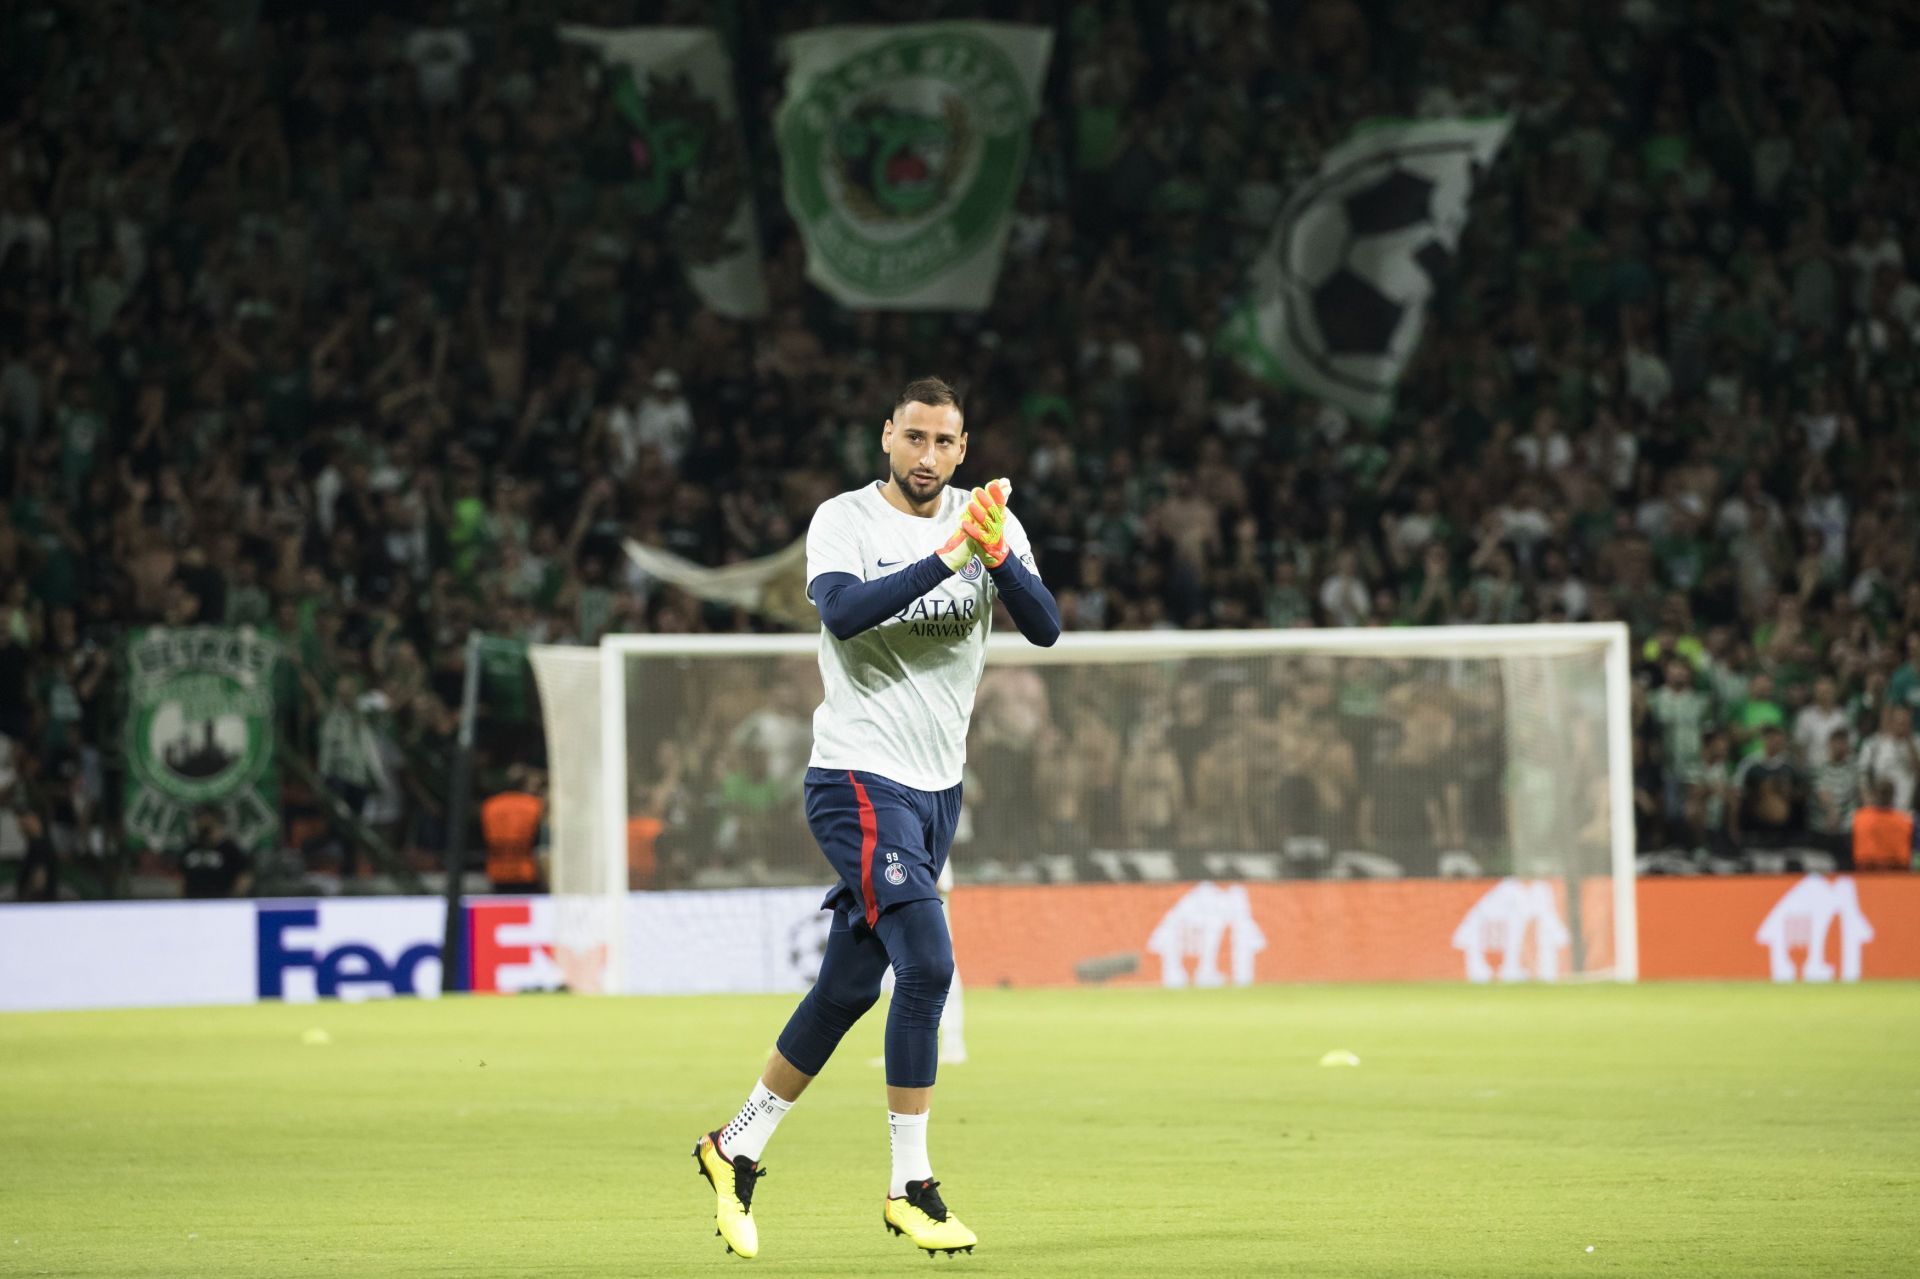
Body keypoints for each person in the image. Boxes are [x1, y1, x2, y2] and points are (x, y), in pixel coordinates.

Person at [690, 378, 1059, 1259]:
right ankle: (911, 1184)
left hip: (936, 792)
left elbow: (1044, 627)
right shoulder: (844, 519)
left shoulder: (987, 520)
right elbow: (848, 614)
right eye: (914, 437)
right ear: (885, 437)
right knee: (927, 966)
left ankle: (734, 1144)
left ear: (962, 450)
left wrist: (997, 555)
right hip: (857, 776)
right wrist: (947, 559)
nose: (927, 456)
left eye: (944, 442)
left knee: (850, 988)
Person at [179, 807, 252, 899]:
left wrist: (233, 900)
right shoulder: (190, 848)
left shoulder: (231, 849)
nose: (202, 823)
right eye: (200, 820)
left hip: (221, 903)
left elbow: (243, 878)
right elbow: (181, 879)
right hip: (193, 903)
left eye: (207, 820)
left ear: (217, 823)